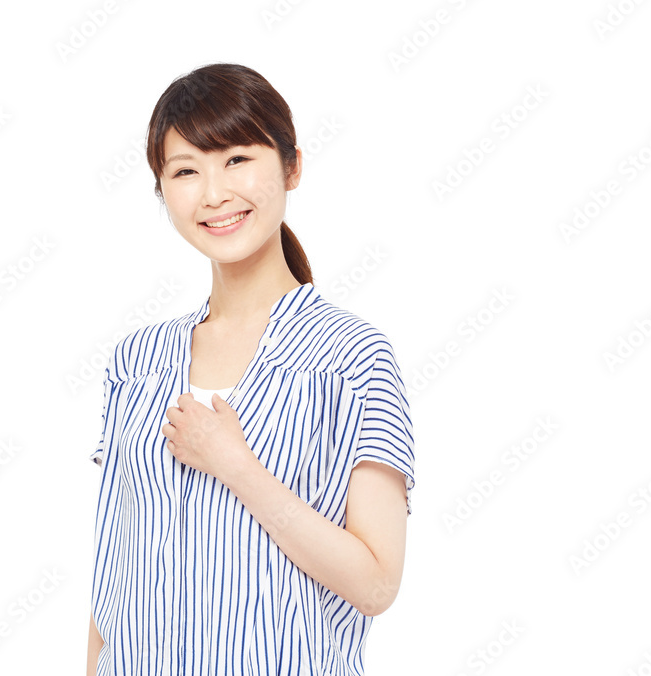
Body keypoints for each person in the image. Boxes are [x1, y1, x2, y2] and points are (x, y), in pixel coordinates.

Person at [86, 62, 415, 676]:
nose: (213, 194)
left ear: (291, 167)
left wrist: (236, 466)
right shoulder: (136, 361)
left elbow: (375, 586)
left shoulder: (352, 356)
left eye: (236, 159)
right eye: (186, 171)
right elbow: (113, 577)